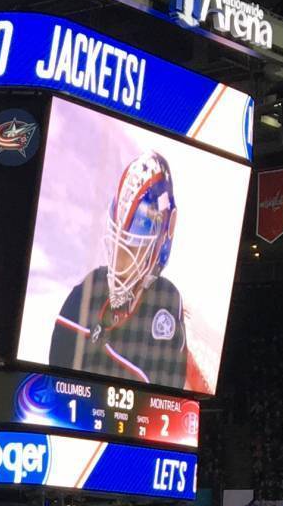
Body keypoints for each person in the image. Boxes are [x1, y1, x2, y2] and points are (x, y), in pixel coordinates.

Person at [50, 153, 194, 388]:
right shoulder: (90, 289)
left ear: (163, 235)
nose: (118, 259)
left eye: (130, 246)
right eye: (118, 243)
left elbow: (162, 399)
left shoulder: (165, 301)